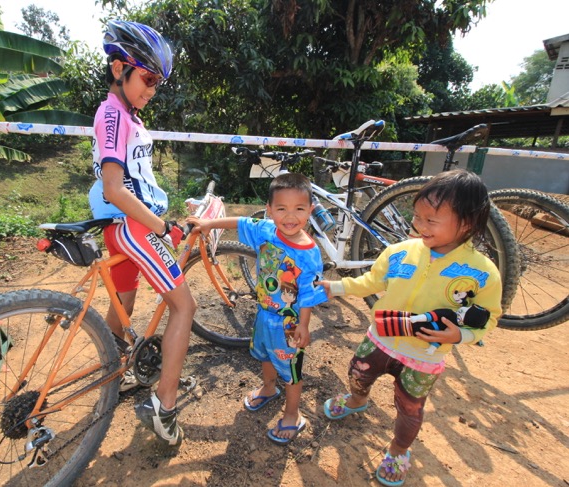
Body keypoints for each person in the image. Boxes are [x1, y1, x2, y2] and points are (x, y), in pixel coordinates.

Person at [319, 169, 502, 486]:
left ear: (468, 223)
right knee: (358, 373)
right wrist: (334, 288)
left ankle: (398, 450)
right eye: (417, 217)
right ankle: (357, 400)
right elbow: (370, 283)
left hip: (424, 357)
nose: (419, 226)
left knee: (409, 408)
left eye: (432, 220)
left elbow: (489, 316)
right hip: (380, 338)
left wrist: (461, 335)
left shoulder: (482, 273)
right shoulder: (399, 252)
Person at [89, 19, 194, 446]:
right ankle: (164, 405)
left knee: (123, 311)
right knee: (184, 308)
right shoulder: (112, 113)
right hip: (133, 228)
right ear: (119, 69)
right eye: (148, 78)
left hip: (126, 230)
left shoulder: (125, 115)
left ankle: (112, 380)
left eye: (157, 83)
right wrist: (163, 227)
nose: (152, 89)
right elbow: (115, 189)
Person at [187, 173, 328, 444]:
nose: (290, 216)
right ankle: (268, 388)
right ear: (269, 210)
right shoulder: (266, 230)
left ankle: (292, 415)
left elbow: (309, 295)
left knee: (292, 370)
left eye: (299, 209)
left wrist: (304, 325)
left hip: (289, 323)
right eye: (282, 209)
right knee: (264, 355)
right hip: (264, 314)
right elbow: (239, 221)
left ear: (310, 210)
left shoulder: (309, 254)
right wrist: (208, 223)